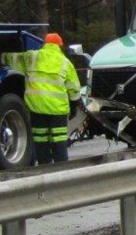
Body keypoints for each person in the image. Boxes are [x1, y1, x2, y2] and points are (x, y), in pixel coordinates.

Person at [1, 32, 82, 165]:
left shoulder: (32, 57)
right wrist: (74, 106)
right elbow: (74, 88)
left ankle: (44, 168)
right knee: (59, 140)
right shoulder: (65, 63)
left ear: (45, 44)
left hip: (37, 109)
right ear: (59, 46)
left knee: (41, 141)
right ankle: (62, 169)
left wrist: (2, 56)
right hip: (58, 111)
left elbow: (13, 59)